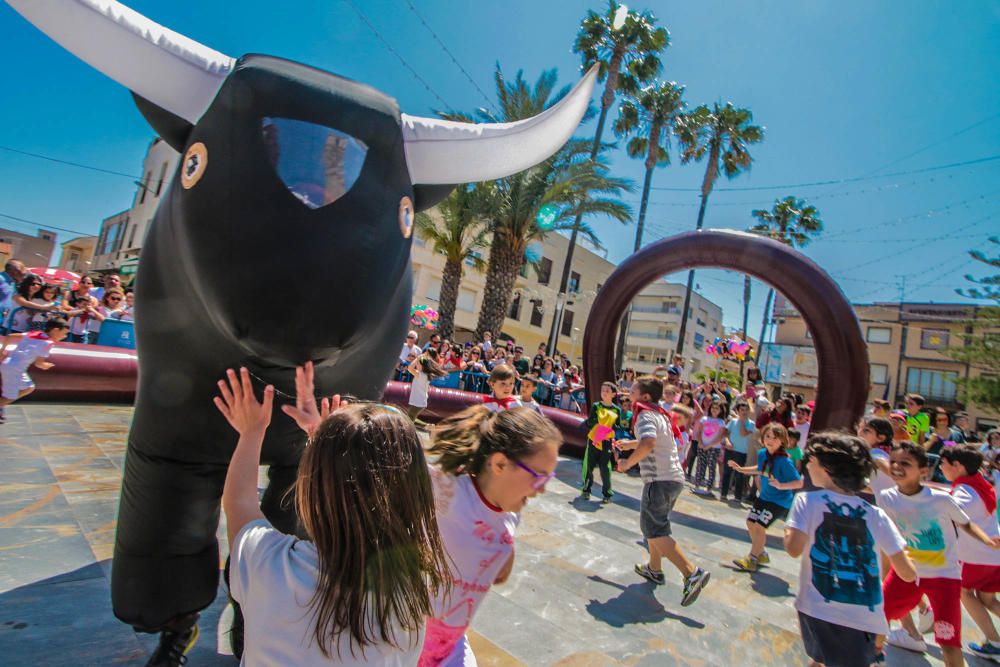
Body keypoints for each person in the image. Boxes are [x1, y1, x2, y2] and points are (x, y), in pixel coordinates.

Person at [214, 364, 451, 666]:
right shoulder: (412, 596)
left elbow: (239, 501)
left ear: (312, 488)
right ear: (415, 494)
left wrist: (252, 431)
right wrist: (323, 443)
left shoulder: (271, 565)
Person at [421, 405, 560, 665]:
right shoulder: (446, 491)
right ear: (499, 464)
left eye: (548, 479)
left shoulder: (510, 512)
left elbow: (496, 572)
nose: (542, 490)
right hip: (406, 638)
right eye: (538, 478)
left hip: (449, 646)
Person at [784, 432, 916, 667]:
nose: (806, 466)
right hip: (865, 619)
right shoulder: (877, 515)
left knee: (820, 658)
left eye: (810, 462)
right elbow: (907, 573)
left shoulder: (806, 501)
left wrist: (790, 528)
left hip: (815, 609)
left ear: (827, 468)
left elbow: (793, 548)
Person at [878, 441, 1000, 665]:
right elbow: (888, 534)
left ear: (924, 471)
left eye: (905, 463)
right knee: (875, 620)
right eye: (893, 461)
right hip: (907, 574)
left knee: (950, 643)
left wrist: (987, 540)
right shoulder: (886, 497)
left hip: (944, 578)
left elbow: (965, 523)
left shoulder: (943, 499)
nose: (896, 466)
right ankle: (874, 656)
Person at [615, 376, 711, 606]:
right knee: (654, 527)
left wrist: (628, 463)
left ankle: (691, 572)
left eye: (634, 389)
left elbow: (648, 443)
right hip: (673, 478)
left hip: (659, 480)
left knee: (654, 528)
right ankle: (654, 569)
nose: (630, 391)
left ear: (644, 396)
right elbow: (655, 441)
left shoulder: (645, 415)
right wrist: (629, 444)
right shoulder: (658, 414)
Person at [937, 444, 1000, 661]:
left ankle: (995, 643)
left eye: (943, 463)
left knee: (964, 592)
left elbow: (948, 512)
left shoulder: (965, 490)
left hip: (976, 555)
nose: (941, 466)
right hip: (992, 554)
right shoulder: (980, 483)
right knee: (988, 600)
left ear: (958, 465)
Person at [728, 423, 802, 572]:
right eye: (767, 436)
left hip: (779, 501)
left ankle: (752, 559)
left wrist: (781, 485)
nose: (770, 440)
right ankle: (761, 553)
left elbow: (799, 482)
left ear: (782, 441)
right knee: (750, 522)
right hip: (764, 497)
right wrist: (741, 469)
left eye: (775, 438)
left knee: (760, 526)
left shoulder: (785, 462)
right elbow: (759, 468)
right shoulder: (763, 453)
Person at [0, 318, 70, 420]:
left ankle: (1, 405)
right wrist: (45, 365)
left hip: (9, 364)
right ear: (55, 330)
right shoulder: (48, 343)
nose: (65, 337)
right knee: (10, 397)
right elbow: (39, 363)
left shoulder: (34, 334)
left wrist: (2, 351)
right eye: (64, 333)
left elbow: (10, 336)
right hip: (15, 369)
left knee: (29, 387)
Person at [581, 381, 624, 504]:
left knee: (605, 468)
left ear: (614, 394)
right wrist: (599, 423)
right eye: (602, 390)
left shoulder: (616, 410)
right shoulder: (596, 406)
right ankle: (586, 489)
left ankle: (607, 493)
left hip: (606, 441)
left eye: (607, 391)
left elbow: (618, 427)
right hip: (594, 440)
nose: (604, 393)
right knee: (589, 466)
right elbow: (589, 422)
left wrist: (609, 427)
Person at [721, 401, 756, 502]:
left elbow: (744, 433)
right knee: (727, 472)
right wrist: (727, 442)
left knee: (739, 474)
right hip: (730, 450)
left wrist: (742, 421)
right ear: (738, 411)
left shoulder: (751, 424)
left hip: (741, 452)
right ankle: (723, 494)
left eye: (746, 410)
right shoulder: (732, 422)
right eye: (742, 410)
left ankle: (737, 496)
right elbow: (726, 433)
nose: (744, 412)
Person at [692, 399, 727, 496]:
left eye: (717, 408)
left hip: (714, 447)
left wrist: (709, 445)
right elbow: (699, 432)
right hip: (702, 445)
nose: (714, 410)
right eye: (713, 408)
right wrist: (701, 443)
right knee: (700, 465)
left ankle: (709, 487)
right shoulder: (704, 419)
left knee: (711, 466)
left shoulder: (721, 422)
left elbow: (720, 436)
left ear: (720, 410)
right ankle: (697, 484)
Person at [408, 348, 448, 426]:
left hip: (417, 402)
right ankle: (428, 426)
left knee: (409, 419)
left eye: (418, 364)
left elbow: (410, 368)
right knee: (410, 418)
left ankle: (427, 426)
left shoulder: (420, 375)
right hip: (419, 402)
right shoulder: (425, 375)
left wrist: (418, 358)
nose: (416, 365)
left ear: (422, 366)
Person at [0, 259, 26, 332]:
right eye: (23, 271)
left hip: (3, 321)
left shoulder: (13, 283)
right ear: (15, 271)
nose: (24, 274)